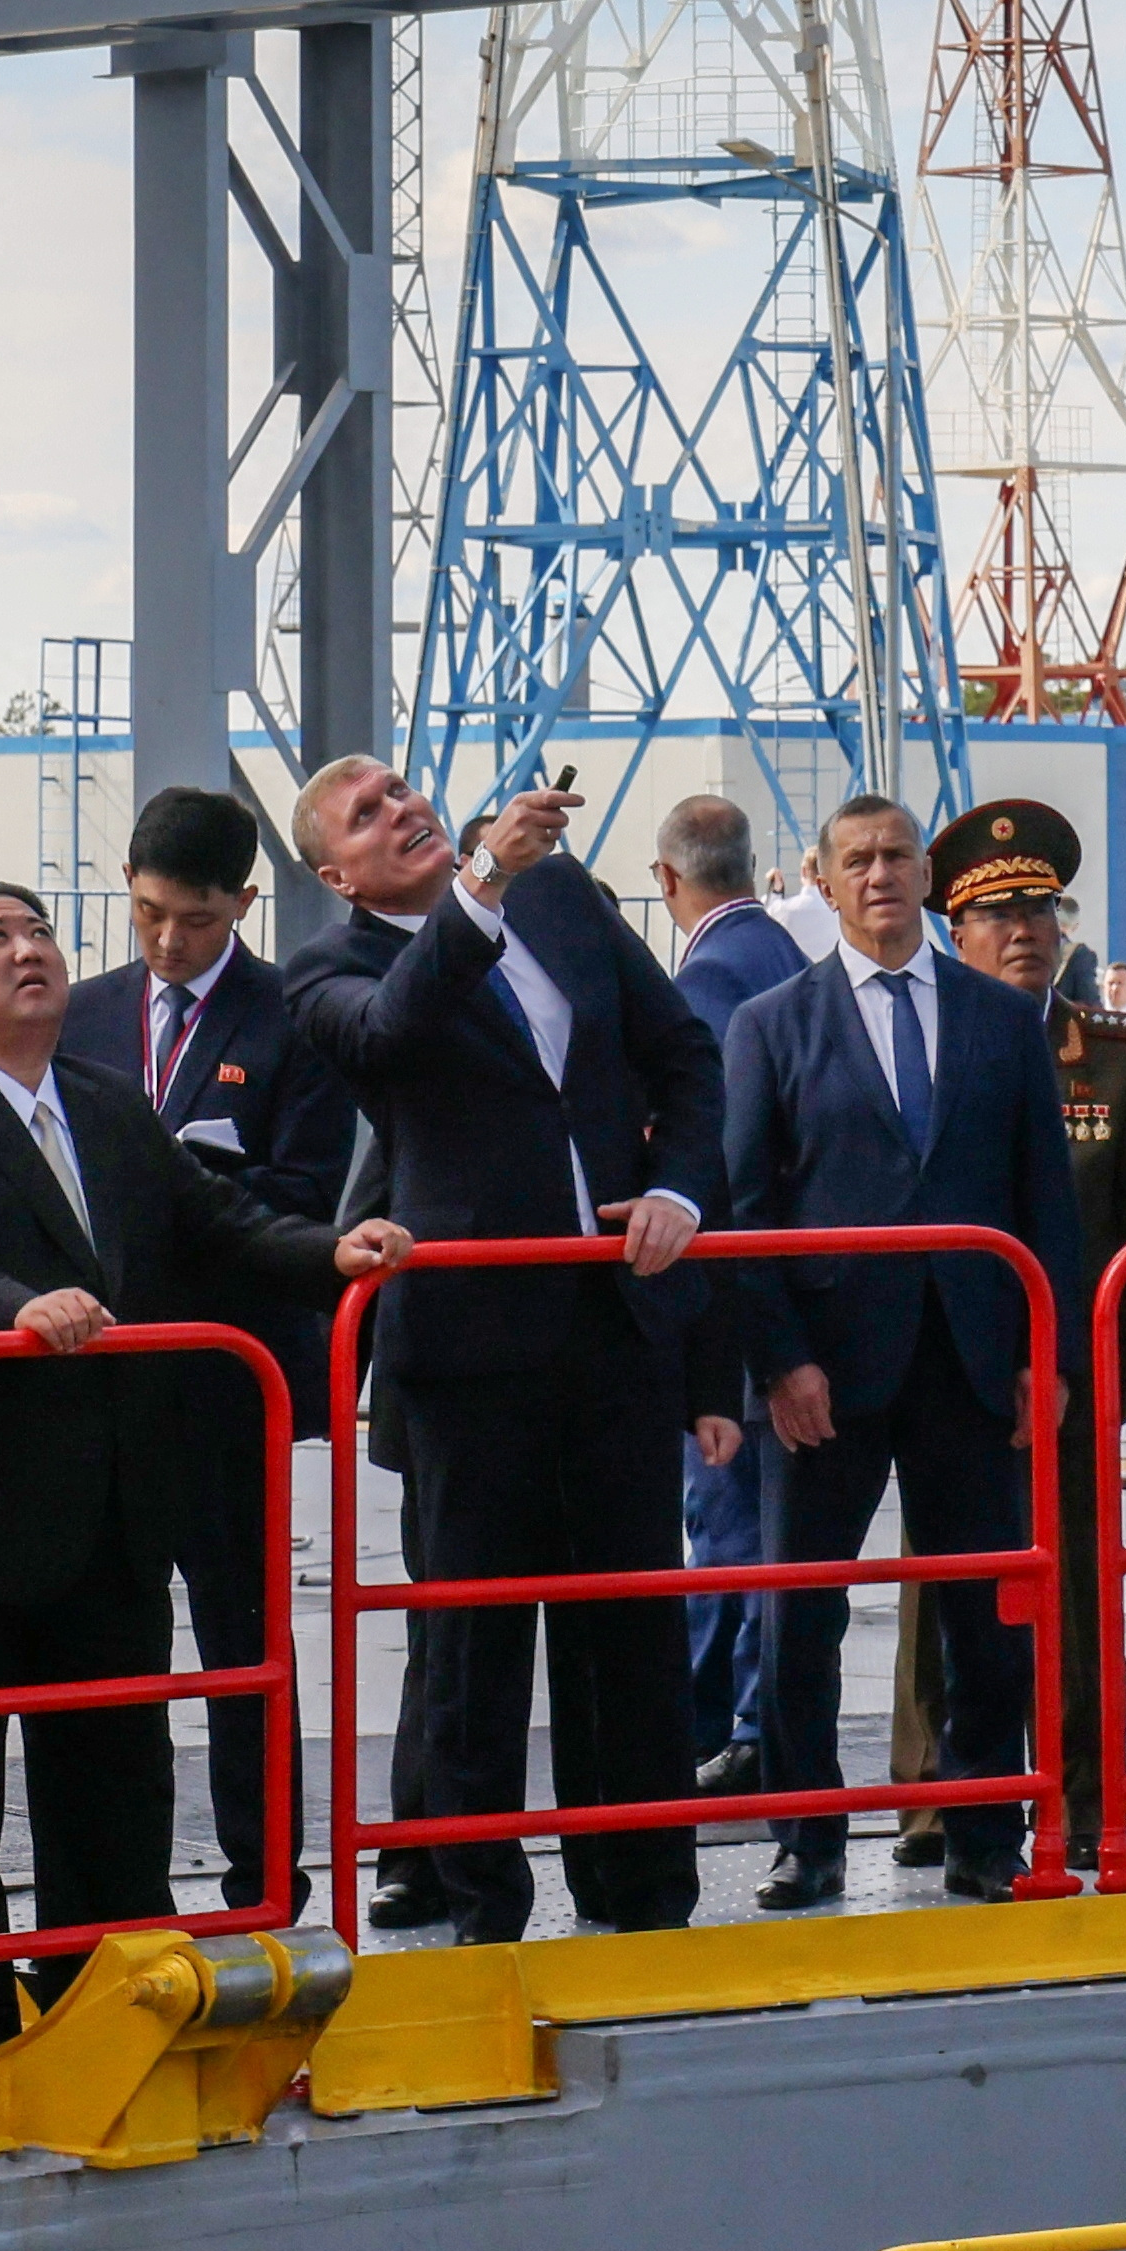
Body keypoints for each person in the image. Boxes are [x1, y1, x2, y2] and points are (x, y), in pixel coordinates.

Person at [0, 877, 373, 2045]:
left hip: (107, 1506)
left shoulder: (106, 1101)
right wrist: (20, 1306)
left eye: (37, 933)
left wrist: (336, 1251)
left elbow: (213, 1222)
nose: (28, 951)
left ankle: (106, 2001)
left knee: (114, 1783)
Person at [287, 754, 734, 1943]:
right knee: (475, 1650)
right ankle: (481, 1909)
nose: (403, 810)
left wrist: (678, 1191)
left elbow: (683, 1054)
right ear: (334, 870)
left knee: (627, 1636)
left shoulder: (562, 898)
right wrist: (475, 887)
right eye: (368, 815)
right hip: (469, 1346)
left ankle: (642, 1899)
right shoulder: (330, 967)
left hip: (616, 1322)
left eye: (401, 789)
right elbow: (389, 1038)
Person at [718, 795, 1087, 1906]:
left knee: (986, 1611)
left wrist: (1045, 1353)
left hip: (970, 1359)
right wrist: (779, 1360)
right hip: (823, 1372)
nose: (878, 874)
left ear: (926, 875)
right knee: (800, 1614)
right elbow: (743, 1206)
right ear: (821, 884)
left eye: (895, 855)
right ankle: (807, 1837)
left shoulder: (998, 1018)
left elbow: (1044, 1200)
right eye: (855, 860)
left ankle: (983, 1831)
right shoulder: (771, 1023)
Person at [888, 851, 1126, 1861]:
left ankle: (1088, 1798)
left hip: (1073, 1362)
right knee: (947, 1576)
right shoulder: (923, 1033)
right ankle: (938, 1799)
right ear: (951, 931)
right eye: (992, 913)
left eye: (1036, 911)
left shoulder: (1114, 1050)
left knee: (1078, 1587)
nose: (1021, 931)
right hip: (950, 1355)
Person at [97, 782, 349, 1768]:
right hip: (107, 1380)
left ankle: (264, 1868)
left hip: (229, 1378)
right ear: (124, 884)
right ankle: (122, 1880)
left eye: (196, 920)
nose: (167, 940)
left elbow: (307, 1195)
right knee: (115, 1651)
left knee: (242, 1642)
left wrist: (176, 1174)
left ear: (242, 905)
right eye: (149, 912)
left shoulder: (293, 1015)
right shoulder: (82, 1016)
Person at [650, 800, 811, 1783]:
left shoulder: (706, 978)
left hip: (730, 1286)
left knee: (726, 1522)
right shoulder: (795, 959)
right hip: (805, 1276)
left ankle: (735, 1725)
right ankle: (741, 1717)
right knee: (771, 1521)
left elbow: (707, 1146)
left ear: (667, 881)